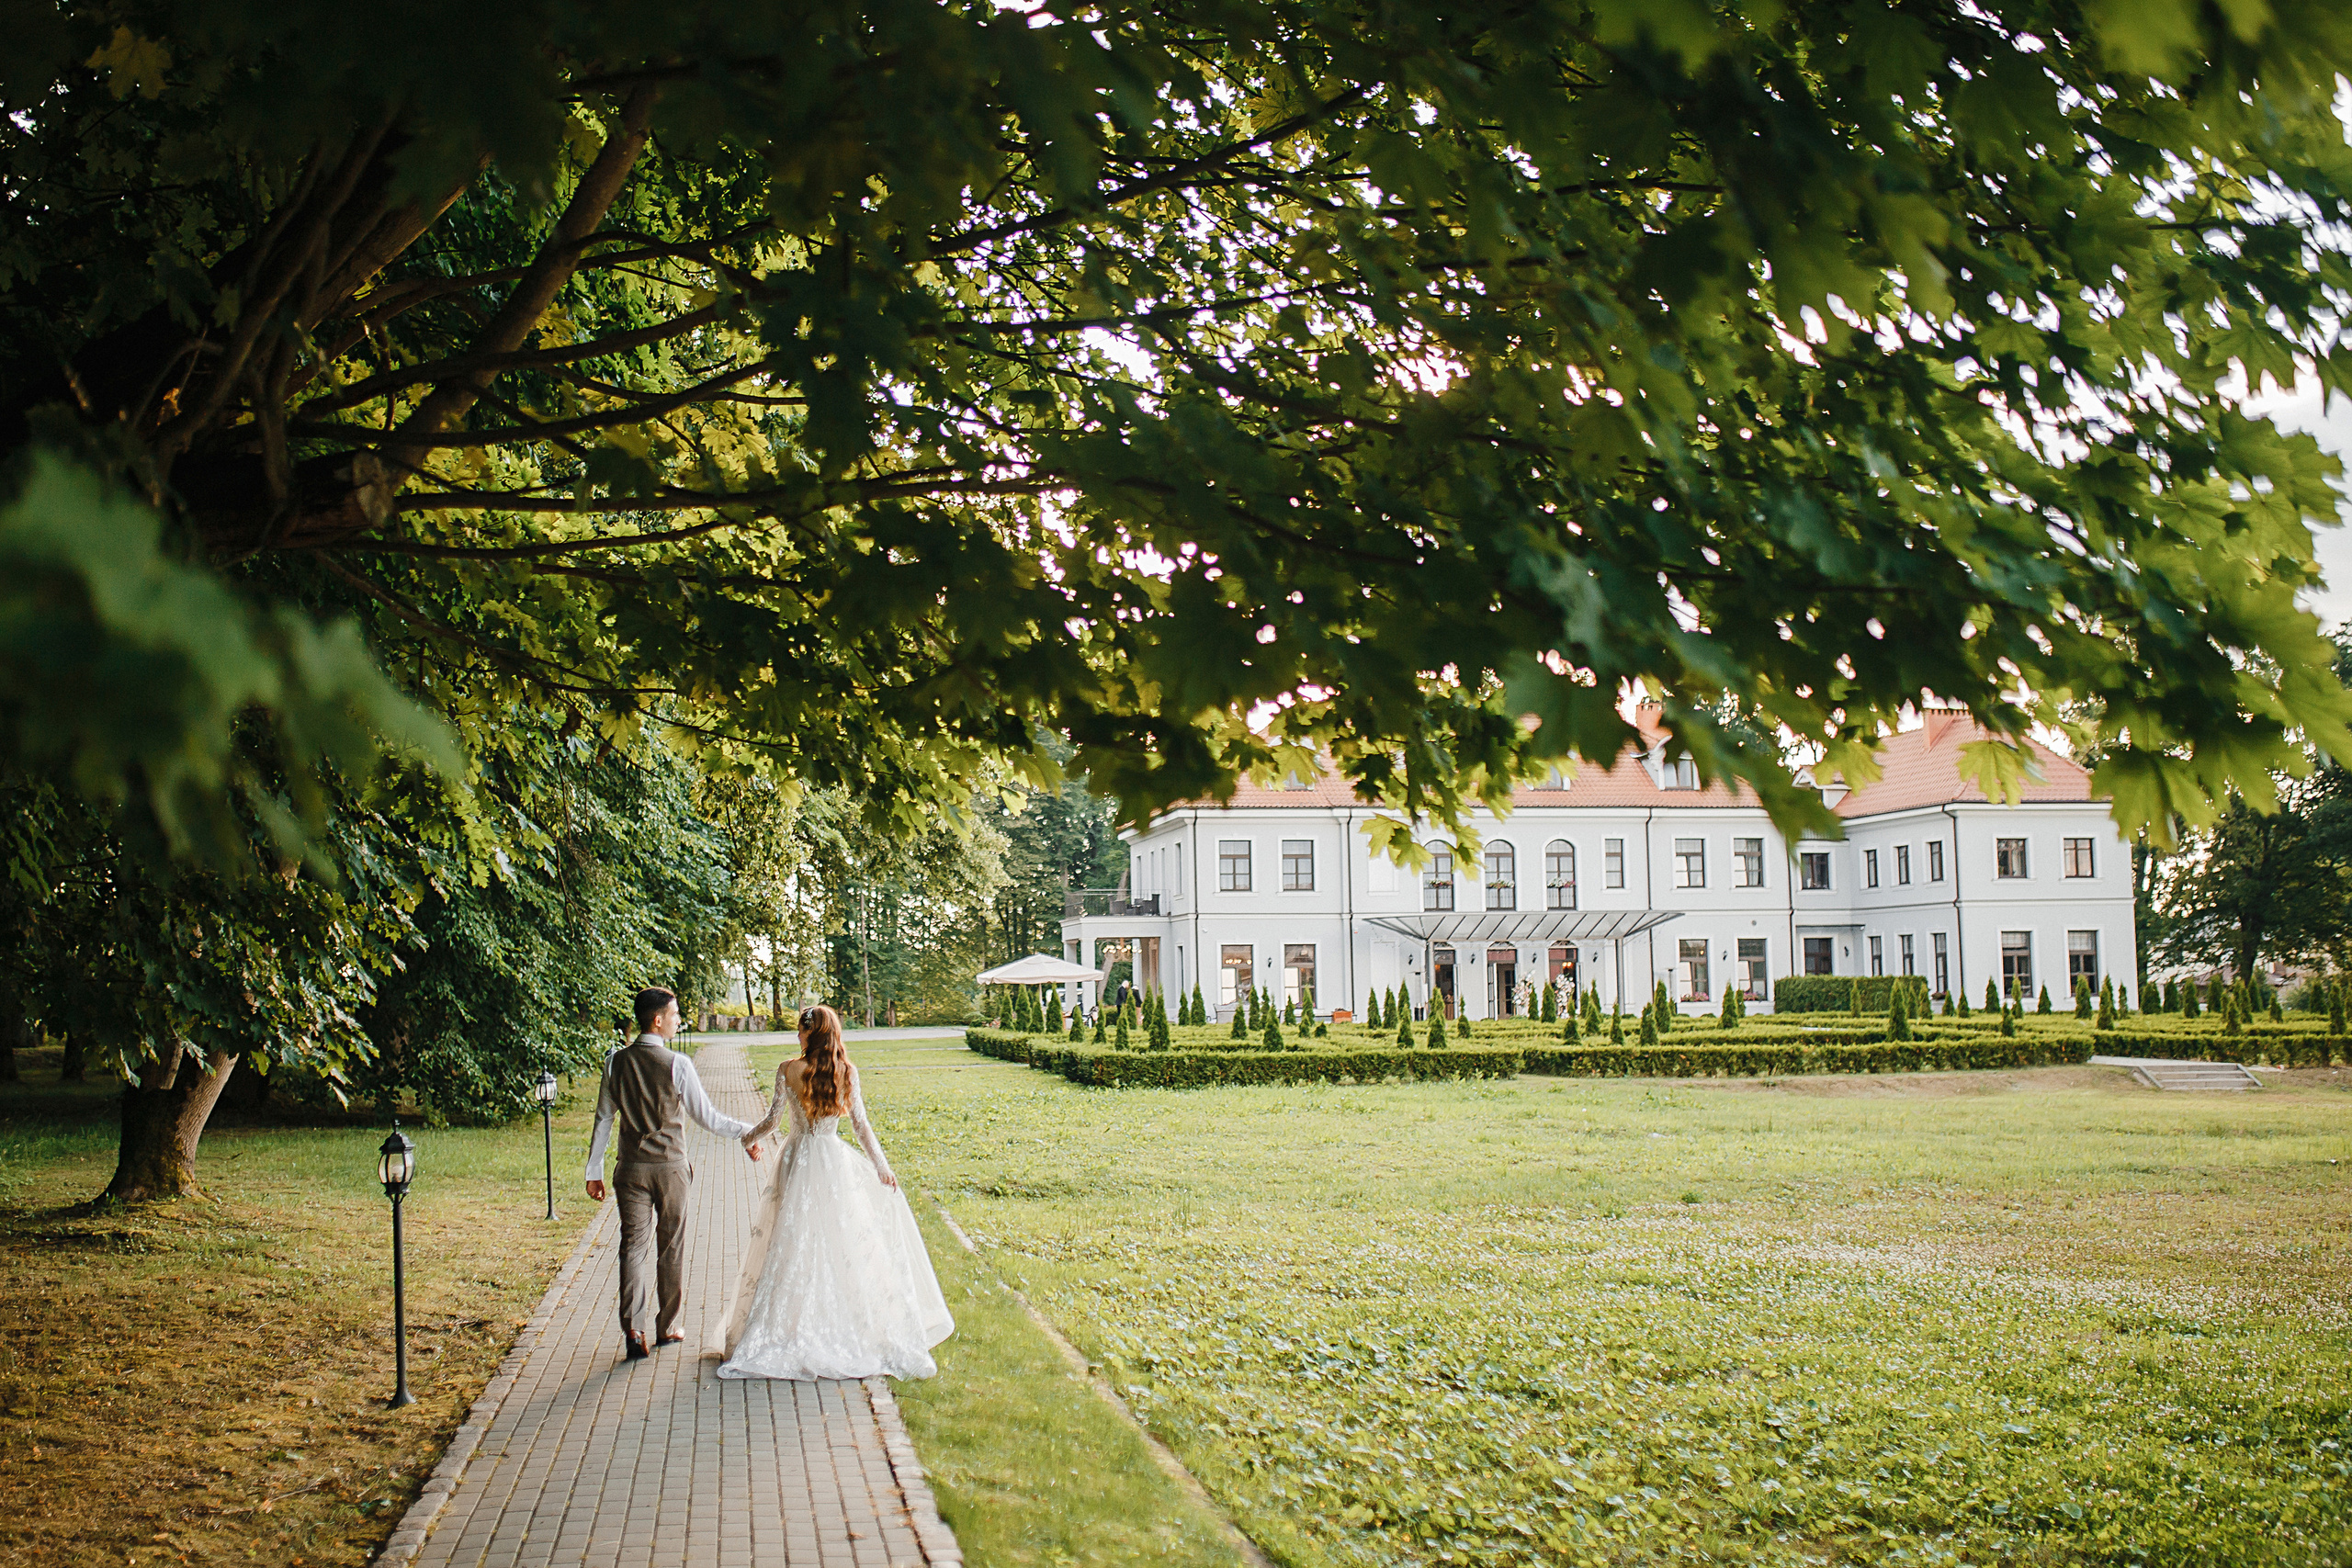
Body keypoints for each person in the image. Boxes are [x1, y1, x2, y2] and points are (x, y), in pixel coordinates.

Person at [709, 1004, 954, 1380]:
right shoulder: (847, 1072)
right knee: (837, 1243)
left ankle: (788, 1325)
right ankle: (838, 1323)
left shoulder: (788, 1069)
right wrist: (881, 1166)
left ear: (812, 1034)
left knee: (789, 1242)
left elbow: (774, 1120)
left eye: (801, 1030)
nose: (797, 1036)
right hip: (831, 1159)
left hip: (795, 1159)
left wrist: (749, 1138)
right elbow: (861, 1127)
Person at [585, 987, 763, 1359]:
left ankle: (634, 1330)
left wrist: (594, 1170)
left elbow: (604, 1118)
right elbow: (707, 1117)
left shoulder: (614, 1062)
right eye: (676, 1013)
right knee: (671, 1246)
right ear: (658, 1020)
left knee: (632, 1248)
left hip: (630, 1169)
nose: (679, 1019)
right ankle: (667, 1326)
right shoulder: (677, 1064)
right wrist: (747, 1132)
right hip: (671, 1170)